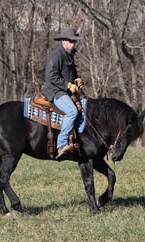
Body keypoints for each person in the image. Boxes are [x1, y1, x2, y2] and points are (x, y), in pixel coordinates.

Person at [43, 28, 84, 158]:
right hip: (56, 92)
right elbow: (51, 76)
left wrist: (77, 79)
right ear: (63, 41)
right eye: (71, 41)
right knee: (72, 112)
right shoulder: (56, 56)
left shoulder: (69, 54)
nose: (73, 44)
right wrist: (68, 85)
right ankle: (61, 145)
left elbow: (70, 72)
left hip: (65, 91)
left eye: (74, 41)